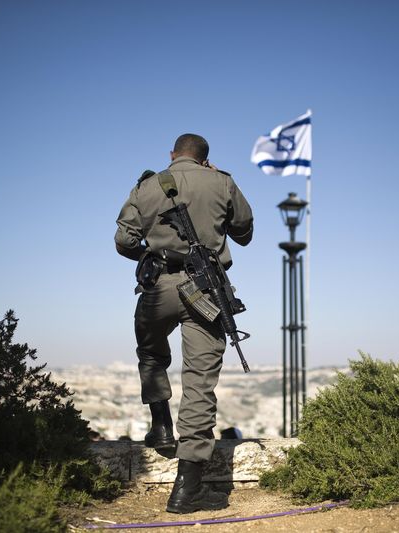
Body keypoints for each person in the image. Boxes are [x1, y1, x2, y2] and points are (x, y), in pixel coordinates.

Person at [114, 133, 253, 513]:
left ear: (172, 155)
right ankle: (186, 489)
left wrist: (155, 253)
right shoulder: (222, 181)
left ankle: (160, 424)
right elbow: (244, 233)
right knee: (199, 382)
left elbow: (124, 241)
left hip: (158, 288)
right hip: (204, 291)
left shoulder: (146, 185)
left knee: (151, 352)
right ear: (205, 158)